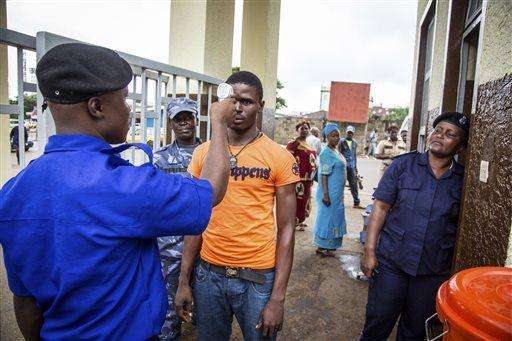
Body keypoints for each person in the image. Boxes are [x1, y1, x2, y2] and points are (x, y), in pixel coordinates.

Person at [0, 43, 234, 340]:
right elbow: (212, 189)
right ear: (96, 107)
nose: (128, 109)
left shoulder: (12, 193)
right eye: (123, 99)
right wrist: (218, 122)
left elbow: (25, 301)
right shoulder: (127, 186)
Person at [175, 71, 299, 340]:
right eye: (232, 100)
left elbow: (288, 228)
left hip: (257, 277)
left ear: (261, 106)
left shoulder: (279, 156)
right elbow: (195, 219)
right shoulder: (202, 153)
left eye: (247, 101)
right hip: (209, 274)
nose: (238, 108)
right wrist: (184, 280)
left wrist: (277, 299)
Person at [360, 112, 470, 340]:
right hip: (392, 264)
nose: (440, 136)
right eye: (438, 130)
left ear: (459, 147)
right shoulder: (403, 166)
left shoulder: (462, 181)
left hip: (432, 272)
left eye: (450, 134)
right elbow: (380, 208)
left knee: (415, 332)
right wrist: (369, 251)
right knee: (377, 322)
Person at [153, 97, 202, 340]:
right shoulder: (159, 159)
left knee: (206, 304)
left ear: (196, 120)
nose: (184, 122)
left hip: (207, 243)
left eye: (188, 117)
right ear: (171, 123)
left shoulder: (212, 154)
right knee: (170, 305)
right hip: (171, 247)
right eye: (178, 119)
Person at [313, 123, 347, 257]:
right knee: (327, 218)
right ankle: (321, 246)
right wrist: (326, 195)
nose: (336, 138)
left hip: (337, 193)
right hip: (329, 193)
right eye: (333, 136)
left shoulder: (336, 151)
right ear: (326, 137)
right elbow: (324, 176)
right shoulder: (326, 153)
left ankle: (330, 245)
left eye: (338, 135)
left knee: (335, 217)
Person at [287, 121, 317, 231]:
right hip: (296, 179)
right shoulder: (293, 144)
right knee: (296, 201)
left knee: (305, 201)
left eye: (306, 128)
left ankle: (300, 221)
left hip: (308, 180)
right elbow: (287, 161)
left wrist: (312, 177)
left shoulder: (310, 146)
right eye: (302, 128)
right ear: (297, 130)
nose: (304, 130)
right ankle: (293, 222)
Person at [339, 125, 362, 208]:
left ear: (353, 133)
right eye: (348, 133)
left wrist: (356, 168)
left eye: (351, 133)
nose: (350, 134)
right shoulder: (341, 141)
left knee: (354, 185)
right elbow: (338, 153)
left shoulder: (355, 143)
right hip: (343, 167)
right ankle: (338, 202)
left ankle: (356, 202)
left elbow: (354, 156)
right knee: (340, 184)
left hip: (351, 167)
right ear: (346, 133)